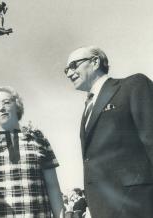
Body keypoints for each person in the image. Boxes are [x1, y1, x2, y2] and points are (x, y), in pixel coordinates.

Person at [64, 46, 153, 218]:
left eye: (74, 65)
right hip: (102, 209)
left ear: (95, 62)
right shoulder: (87, 109)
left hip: (137, 205)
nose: (69, 73)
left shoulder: (133, 85)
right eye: (66, 69)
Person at [0, 86, 64, 218]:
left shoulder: (39, 140)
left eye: (6, 102)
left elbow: (53, 187)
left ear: (17, 105)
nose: (1, 108)